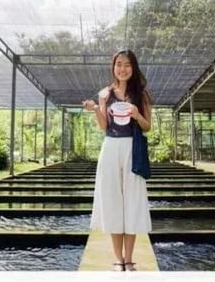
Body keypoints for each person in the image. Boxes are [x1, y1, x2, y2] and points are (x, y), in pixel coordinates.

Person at [82, 49, 152, 272]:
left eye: (127, 64)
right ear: (113, 67)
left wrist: (137, 115)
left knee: (132, 200)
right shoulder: (105, 94)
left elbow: (147, 127)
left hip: (133, 148)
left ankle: (129, 259)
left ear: (134, 68)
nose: (123, 69)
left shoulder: (141, 94)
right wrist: (96, 109)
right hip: (111, 147)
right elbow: (104, 126)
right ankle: (117, 259)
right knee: (112, 200)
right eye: (119, 64)